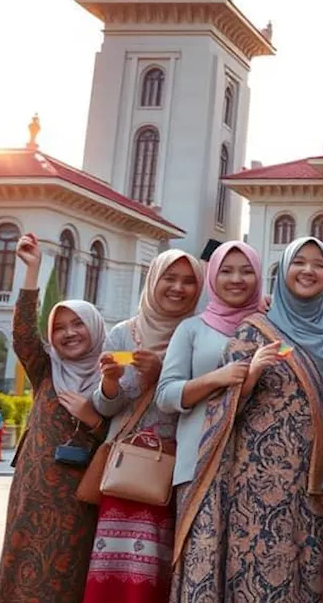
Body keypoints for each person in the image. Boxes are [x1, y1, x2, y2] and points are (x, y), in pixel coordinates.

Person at [172, 237, 323, 602]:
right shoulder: (255, 327)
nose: (308, 271)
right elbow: (221, 404)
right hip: (257, 476)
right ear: (282, 271)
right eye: (299, 262)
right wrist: (250, 377)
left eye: (318, 264)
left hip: (318, 474)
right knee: (259, 562)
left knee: (308, 564)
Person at [84, 249, 203, 603]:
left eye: (188, 281)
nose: (178, 288)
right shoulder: (124, 334)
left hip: (180, 467)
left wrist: (160, 377)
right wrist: (110, 383)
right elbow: (106, 406)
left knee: (165, 566)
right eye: (170, 278)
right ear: (153, 280)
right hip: (129, 467)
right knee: (118, 570)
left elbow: (202, 398)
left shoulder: (198, 334)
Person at [0, 232, 108, 603]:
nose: (69, 333)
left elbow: (119, 433)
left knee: (69, 571)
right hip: (35, 489)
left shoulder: (110, 372)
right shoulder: (46, 369)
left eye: (77, 325)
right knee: (22, 567)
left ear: (93, 327)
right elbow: (23, 334)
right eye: (59, 328)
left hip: (80, 495)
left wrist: (91, 417)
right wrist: (32, 270)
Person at [156, 242, 263, 503]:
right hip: (199, 463)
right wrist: (216, 378)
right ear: (212, 275)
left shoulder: (269, 326)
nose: (236, 279)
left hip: (259, 468)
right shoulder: (192, 329)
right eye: (226, 271)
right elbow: (165, 396)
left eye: (246, 271)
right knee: (201, 544)